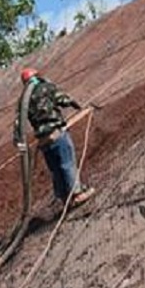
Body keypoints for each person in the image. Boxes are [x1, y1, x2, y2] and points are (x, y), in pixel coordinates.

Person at [13, 67, 95, 208]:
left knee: (55, 170)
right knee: (67, 163)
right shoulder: (45, 88)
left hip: (43, 141)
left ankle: (65, 199)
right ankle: (77, 194)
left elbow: (18, 123)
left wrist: (18, 140)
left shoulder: (22, 101)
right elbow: (62, 99)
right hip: (56, 133)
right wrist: (76, 105)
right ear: (37, 76)